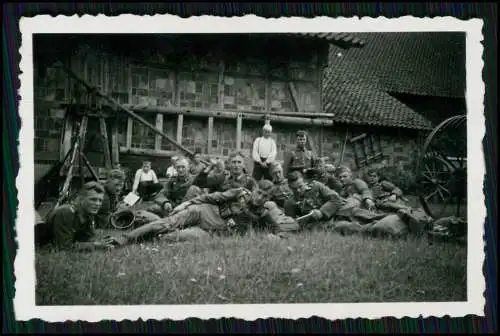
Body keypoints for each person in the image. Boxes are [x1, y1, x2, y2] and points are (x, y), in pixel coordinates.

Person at [101, 180, 299, 247]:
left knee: (171, 238)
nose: (260, 197)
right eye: (259, 192)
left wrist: (277, 238)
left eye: (265, 196)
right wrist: (185, 203)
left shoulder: (263, 213)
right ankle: (124, 239)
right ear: (254, 189)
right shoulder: (239, 192)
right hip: (203, 212)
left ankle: (141, 233)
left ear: (269, 198)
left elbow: (282, 229)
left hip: (212, 232)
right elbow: (211, 197)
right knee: (166, 223)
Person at [35, 181, 114, 251]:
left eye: (100, 200)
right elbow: (64, 247)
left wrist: (105, 241)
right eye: (93, 199)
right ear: (80, 199)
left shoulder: (87, 213)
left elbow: (87, 239)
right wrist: (95, 245)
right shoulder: (66, 212)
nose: (97, 204)